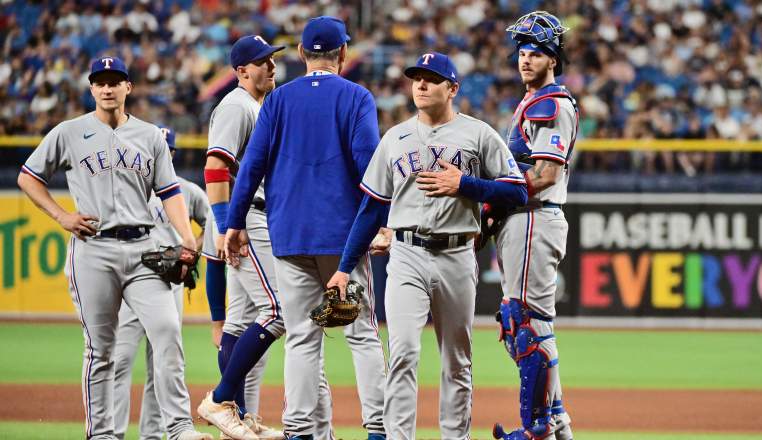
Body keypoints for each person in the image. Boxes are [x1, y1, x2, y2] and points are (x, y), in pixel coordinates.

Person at [327, 51, 528, 440]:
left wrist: (466, 185)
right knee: (403, 353)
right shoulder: (395, 138)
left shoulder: (478, 133)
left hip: (456, 254)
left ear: (452, 88)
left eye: (431, 79)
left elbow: (517, 192)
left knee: (457, 361)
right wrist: (343, 267)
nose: (420, 84)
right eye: (416, 77)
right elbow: (371, 210)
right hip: (406, 254)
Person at [17, 56, 211, 440]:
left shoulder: (150, 135)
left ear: (128, 88)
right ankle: (102, 434)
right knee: (101, 350)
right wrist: (61, 216)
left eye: (115, 81)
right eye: (100, 82)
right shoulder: (69, 132)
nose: (107, 88)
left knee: (168, 331)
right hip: (94, 248)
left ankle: (177, 428)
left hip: (144, 249)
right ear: (92, 89)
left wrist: (187, 237)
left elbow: (169, 190)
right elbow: (28, 177)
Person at [218, 17, 387, 440]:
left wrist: (234, 222)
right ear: (343, 55)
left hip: (288, 236)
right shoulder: (357, 96)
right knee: (362, 335)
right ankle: (379, 430)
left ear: (300, 54)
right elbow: (371, 169)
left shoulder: (278, 100)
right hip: (342, 236)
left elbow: (250, 166)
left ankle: (298, 431)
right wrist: (381, 222)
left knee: (301, 337)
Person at [195, 35, 288, 440]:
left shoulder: (255, 105)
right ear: (240, 71)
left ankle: (239, 415)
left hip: (247, 217)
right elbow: (215, 169)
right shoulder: (236, 105)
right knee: (279, 310)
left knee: (239, 321)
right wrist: (224, 225)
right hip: (245, 220)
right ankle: (220, 398)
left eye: (271, 60)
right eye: (261, 61)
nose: (270, 66)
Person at [490, 11, 577, 440]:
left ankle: (537, 428)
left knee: (524, 324)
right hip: (524, 220)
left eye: (537, 52)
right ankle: (556, 424)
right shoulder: (531, 100)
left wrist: (489, 193)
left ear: (553, 59)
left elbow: (544, 175)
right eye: (523, 51)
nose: (526, 59)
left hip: (533, 217)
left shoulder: (551, 103)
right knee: (529, 323)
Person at [111, 127, 209, 440]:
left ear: (174, 154)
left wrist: (191, 252)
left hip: (169, 285)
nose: (163, 153)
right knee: (119, 359)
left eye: (168, 149)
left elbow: (212, 222)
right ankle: (111, 433)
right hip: (130, 281)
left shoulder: (188, 191)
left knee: (162, 362)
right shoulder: (127, 188)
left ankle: (151, 435)